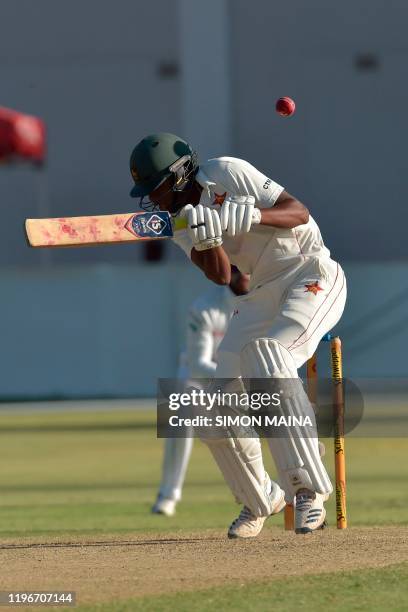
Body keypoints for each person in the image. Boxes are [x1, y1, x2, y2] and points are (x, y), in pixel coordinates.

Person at [129, 133, 347, 538]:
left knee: (268, 357)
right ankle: (260, 499)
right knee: (213, 406)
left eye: (155, 189)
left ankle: (308, 488)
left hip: (310, 272)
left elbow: (298, 212)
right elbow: (219, 274)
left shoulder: (227, 170)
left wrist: (251, 215)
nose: (152, 201)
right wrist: (208, 236)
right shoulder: (180, 221)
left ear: (177, 176)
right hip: (261, 293)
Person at [152, 269, 250, 516]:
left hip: (240, 380)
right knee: (182, 412)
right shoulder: (205, 308)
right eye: (242, 270)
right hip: (198, 378)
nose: (248, 275)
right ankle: (168, 494)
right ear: (232, 273)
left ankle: (262, 492)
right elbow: (198, 365)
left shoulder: (260, 303)